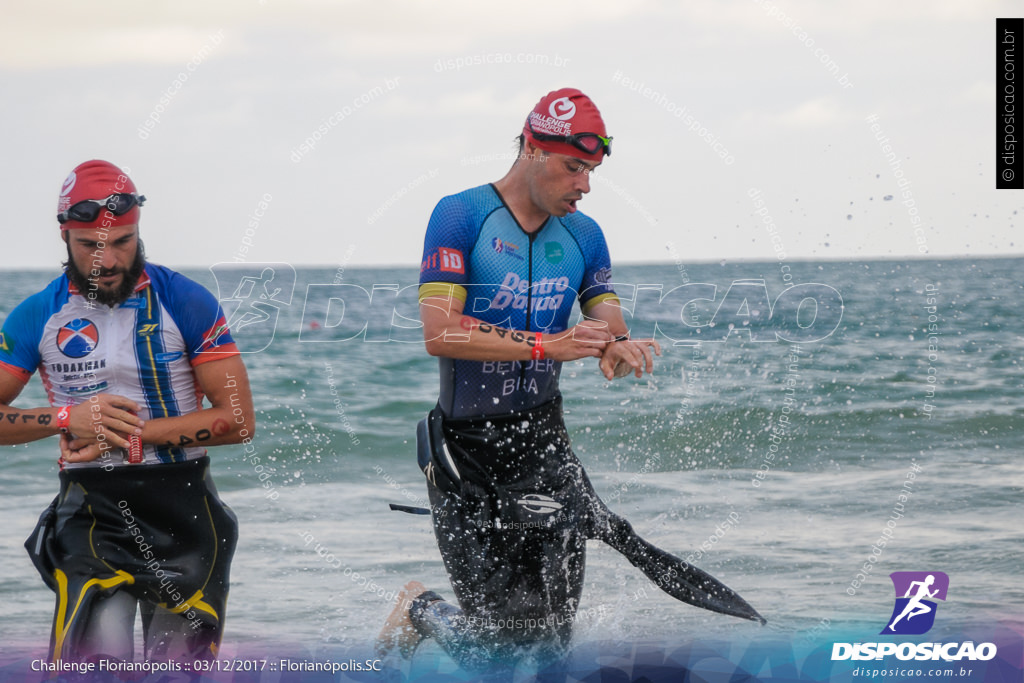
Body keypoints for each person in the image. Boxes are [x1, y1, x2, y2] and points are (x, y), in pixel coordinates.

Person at [376, 88, 660, 669]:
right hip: (467, 449)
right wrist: (547, 345)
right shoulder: (461, 215)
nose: (584, 184)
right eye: (573, 167)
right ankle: (420, 609)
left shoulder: (584, 235)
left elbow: (604, 314)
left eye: (591, 170)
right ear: (532, 148)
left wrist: (615, 343)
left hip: (544, 444)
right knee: (498, 657)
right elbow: (440, 331)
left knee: (552, 649)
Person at [0, 160, 255, 665]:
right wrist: (65, 418)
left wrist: (131, 435)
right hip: (91, 511)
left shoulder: (187, 302)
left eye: (123, 241)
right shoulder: (38, 314)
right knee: (99, 667)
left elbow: (238, 419)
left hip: (183, 505)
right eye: (90, 245)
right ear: (64, 236)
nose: (107, 260)